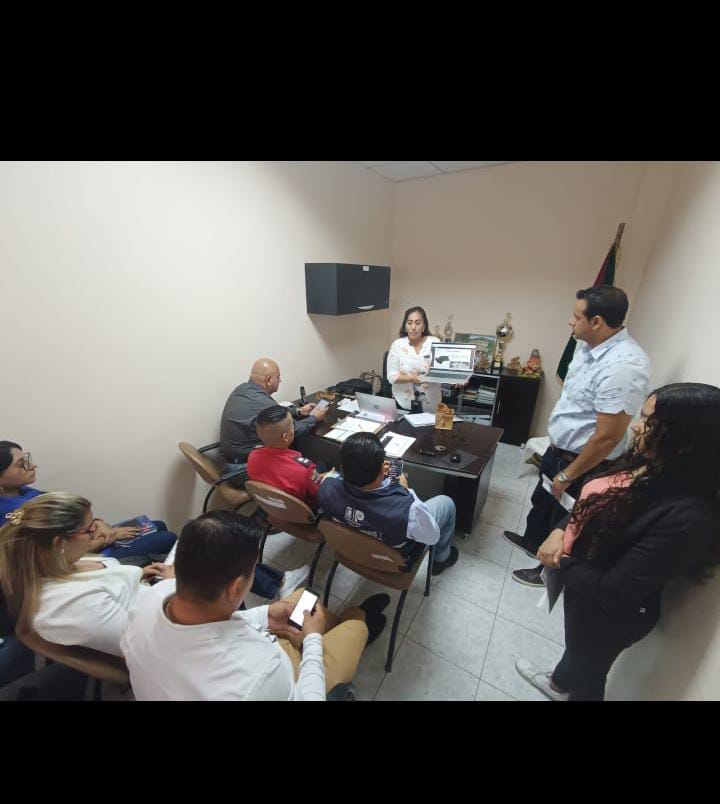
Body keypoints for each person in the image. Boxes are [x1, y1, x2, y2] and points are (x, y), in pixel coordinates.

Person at [516, 383, 720, 701]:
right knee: (578, 649)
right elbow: (594, 500)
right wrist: (559, 530)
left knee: (590, 674)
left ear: (686, 439)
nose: (635, 426)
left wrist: (561, 561)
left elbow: (615, 587)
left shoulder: (688, 518)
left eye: (649, 421)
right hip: (584, 589)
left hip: (610, 610)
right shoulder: (646, 463)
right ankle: (557, 684)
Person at [121, 511, 390, 700]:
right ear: (236, 588)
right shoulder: (260, 675)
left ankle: (339, 626)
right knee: (353, 628)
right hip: (282, 681)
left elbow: (201, 628)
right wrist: (312, 641)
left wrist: (264, 615)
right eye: (253, 572)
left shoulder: (151, 599)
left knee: (301, 600)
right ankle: (358, 620)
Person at [504, 286, 650, 587]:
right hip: (558, 449)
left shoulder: (624, 366)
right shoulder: (587, 346)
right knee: (542, 502)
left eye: (576, 316)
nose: (570, 321)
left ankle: (545, 573)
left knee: (564, 521)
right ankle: (532, 542)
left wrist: (568, 474)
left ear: (596, 321)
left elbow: (608, 436)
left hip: (582, 461)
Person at [0, 492, 174, 656]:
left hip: (156, 602)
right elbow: (145, 644)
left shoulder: (62, 561)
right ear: (59, 543)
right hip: (167, 633)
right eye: (90, 529)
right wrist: (171, 586)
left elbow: (108, 585)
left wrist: (137, 575)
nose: (99, 532)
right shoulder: (68, 605)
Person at [0, 441, 176, 562]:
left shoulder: (25, 492)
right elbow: (57, 555)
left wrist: (99, 523)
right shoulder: (12, 514)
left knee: (158, 525)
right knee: (168, 538)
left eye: (27, 459)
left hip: (88, 536)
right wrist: (109, 537)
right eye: (21, 464)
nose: (32, 466)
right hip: (84, 557)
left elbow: (71, 515)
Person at [318, 432, 459, 575]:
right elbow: (432, 537)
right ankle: (441, 559)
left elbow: (339, 482)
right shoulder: (409, 509)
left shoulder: (326, 487)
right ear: (381, 469)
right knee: (446, 503)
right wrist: (406, 491)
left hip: (353, 547)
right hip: (391, 556)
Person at [220, 358, 329, 467]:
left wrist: (298, 411)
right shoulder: (262, 402)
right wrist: (315, 417)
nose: (280, 381)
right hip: (245, 465)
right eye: (278, 377)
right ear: (268, 380)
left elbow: (270, 413)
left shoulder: (243, 389)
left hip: (233, 457)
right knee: (311, 462)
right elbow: (294, 430)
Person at [386, 306, 441, 413]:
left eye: (418, 323)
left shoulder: (435, 343)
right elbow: (391, 377)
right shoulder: (397, 345)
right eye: (409, 323)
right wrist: (410, 378)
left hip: (431, 405)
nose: (413, 327)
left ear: (424, 326)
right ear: (405, 326)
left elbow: (443, 370)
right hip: (404, 404)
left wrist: (458, 378)